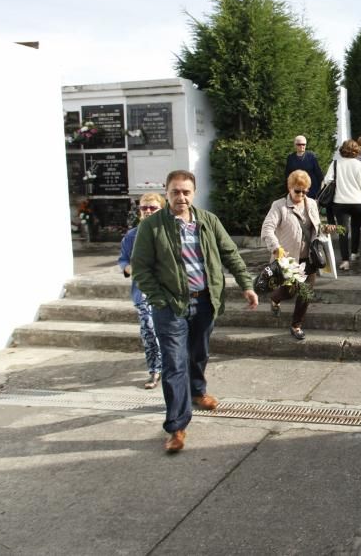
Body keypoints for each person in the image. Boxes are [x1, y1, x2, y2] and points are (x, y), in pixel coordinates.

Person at [131, 170, 259, 453]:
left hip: (204, 301)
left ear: (194, 193)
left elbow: (231, 254)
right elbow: (140, 268)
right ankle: (176, 426)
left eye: (186, 192)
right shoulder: (152, 226)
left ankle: (198, 391)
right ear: (167, 193)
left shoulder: (208, 221)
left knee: (199, 353)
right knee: (174, 363)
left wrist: (246, 285)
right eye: (175, 192)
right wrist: (159, 299)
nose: (181, 197)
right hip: (170, 306)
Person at [261, 170, 335, 340]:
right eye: (297, 191)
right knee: (290, 290)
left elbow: (316, 227)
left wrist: (326, 228)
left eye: (304, 191)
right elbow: (267, 228)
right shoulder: (278, 206)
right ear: (289, 188)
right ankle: (275, 297)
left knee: (305, 292)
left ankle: (296, 325)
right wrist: (275, 247)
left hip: (309, 257)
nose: (301, 194)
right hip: (288, 258)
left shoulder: (312, 204)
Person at [118, 192, 166, 389]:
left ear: (161, 209)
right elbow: (123, 259)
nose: (147, 211)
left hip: (167, 291)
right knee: (149, 330)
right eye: (144, 208)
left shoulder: (169, 232)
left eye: (152, 208)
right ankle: (155, 370)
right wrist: (128, 268)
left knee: (169, 331)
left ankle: (171, 366)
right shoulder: (131, 236)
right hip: (143, 292)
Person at [321, 139, 361, 271]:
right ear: (357, 151)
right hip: (358, 202)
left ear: (343, 150)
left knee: (343, 230)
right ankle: (354, 252)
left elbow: (327, 180)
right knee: (356, 227)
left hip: (340, 201)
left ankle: (345, 260)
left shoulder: (335, 164)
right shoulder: (360, 166)